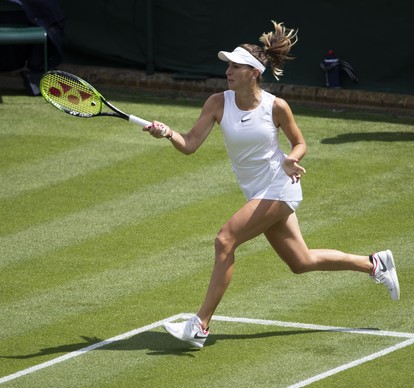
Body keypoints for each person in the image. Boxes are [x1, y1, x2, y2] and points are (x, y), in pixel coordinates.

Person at [143, 21, 400, 349]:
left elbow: (300, 143)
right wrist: (167, 133)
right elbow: (190, 143)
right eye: (228, 65)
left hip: (279, 187)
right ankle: (373, 264)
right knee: (301, 262)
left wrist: (292, 159)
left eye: (236, 66)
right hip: (256, 192)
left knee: (225, 240)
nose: (228, 71)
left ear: (253, 72)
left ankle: (200, 326)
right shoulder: (217, 103)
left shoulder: (275, 107)